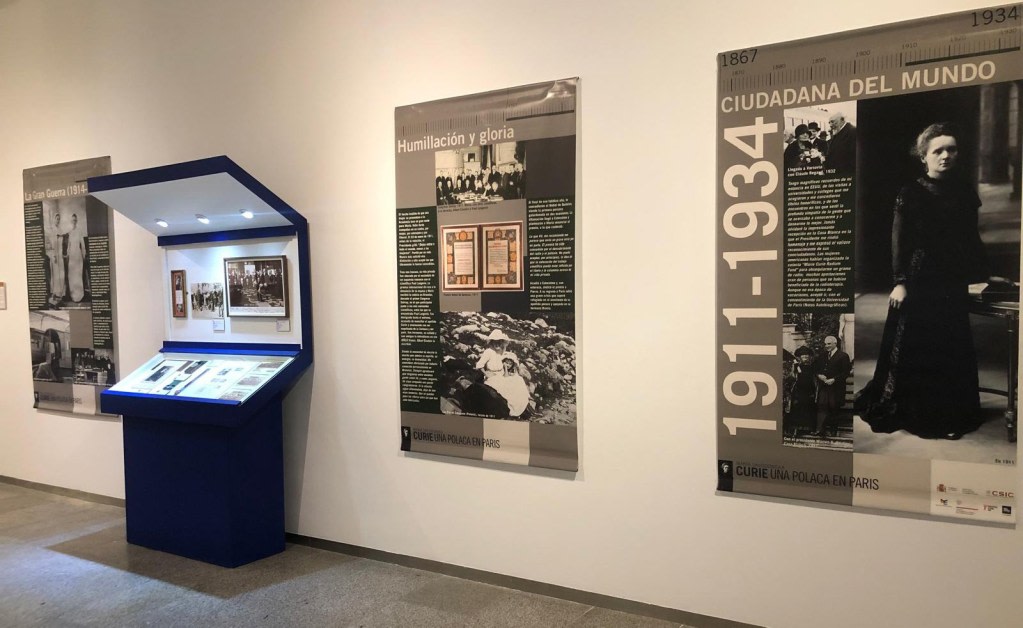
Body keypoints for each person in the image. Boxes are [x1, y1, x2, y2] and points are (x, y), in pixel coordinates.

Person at [856, 123, 990, 439]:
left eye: (951, 149)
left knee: (951, 345)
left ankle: (953, 414)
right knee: (922, 345)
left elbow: (971, 238)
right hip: (921, 279)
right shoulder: (911, 192)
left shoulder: (964, 191)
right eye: (938, 151)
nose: (946, 156)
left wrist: (981, 274)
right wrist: (900, 281)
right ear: (924, 157)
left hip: (952, 280)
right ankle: (924, 414)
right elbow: (899, 240)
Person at [815, 335, 851, 437]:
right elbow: (816, 368)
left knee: (834, 408)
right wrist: (819, 375)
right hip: (824, 387)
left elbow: (845, 373)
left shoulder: (843, 356)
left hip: (836, 388)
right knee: (822, 406)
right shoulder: (822, 356)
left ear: (835, 343)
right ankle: (820, 430)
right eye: (825, 344)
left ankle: (833, 431)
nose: (826, 346)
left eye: (829, 344)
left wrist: (834, 379)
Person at [786, 345, 817, 437]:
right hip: (799, 392)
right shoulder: (796, 366)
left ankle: (808, 429)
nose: (805, 358)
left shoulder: (812, 367)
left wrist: (814, 392)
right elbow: (793, 377)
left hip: (810, 391)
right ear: (800, 357)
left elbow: (814, 379)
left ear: (809, 357)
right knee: (797, 410)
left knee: (809, 410)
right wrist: (795, 368)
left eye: (806, 356)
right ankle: (796, 430)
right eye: (803, 356)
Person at [488, 353, 530, 418]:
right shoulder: (501, 367)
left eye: (510, 364)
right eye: (507, 363)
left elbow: (509, 375)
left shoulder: (508, 369)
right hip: (497, 379)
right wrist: (505, 367)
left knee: (519, 379)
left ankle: (523, 396)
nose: (508, 365)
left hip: (504, 377)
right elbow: (505, 376)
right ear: (503, 362)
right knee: (511, 383)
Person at [66, 213, 87, 302]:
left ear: (77, 221)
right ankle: (73, 295)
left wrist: (84, 255)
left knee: (77, 275)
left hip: (78, 256)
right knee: (71, 275)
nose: (74, 221)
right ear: (71, 221)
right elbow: (69, 246)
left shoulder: (79, 231)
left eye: (75, 220)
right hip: (71, 256)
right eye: (72, 220)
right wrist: (67, 254)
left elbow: (83, 245)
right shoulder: (70, 232)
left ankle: (79, 296)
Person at [47, 211, 66, 306]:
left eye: (59, 219)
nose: (57, 220)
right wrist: (53, 255)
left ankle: (59, 296)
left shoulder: (60, 229)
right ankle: (54, 295)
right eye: (56, 218)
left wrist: (62, 254)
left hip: (60, 255)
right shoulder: (52, 230)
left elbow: (61, 244)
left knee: (61, 275)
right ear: (53, 219)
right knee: (55, 276)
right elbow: (51, 244)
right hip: (54, 255)